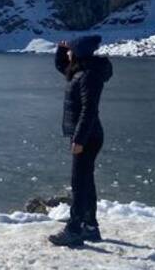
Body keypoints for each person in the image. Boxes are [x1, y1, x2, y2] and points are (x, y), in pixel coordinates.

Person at [48, 34, 113, 248]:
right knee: (86, 181)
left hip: (87, 137)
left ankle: (74, 230)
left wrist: (79, 139)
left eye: (71, 49)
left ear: (78, 53)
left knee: (79, 183)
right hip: (86, 135)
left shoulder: (88, 75)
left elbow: (89, 109)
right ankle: (90, 227)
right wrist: (60, 48)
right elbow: (62, 66)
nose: (68, 53)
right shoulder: (80, 71)